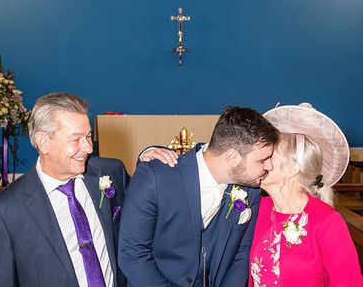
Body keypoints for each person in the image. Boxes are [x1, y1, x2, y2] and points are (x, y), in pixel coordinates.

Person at [0, 92, 176, 287]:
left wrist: (147, 155)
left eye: (89, 136)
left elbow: (146, 197)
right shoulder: (6, 209)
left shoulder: (110, 172)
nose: (88, 147)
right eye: (76, 139)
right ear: (43, 142)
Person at [118, 106, 280, 287]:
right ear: (232, 157)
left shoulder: (251, 190)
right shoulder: (155, 177)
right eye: (263, 160)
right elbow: (133, 254)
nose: (270, 166)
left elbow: (241, 254)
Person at [249, 103, 363, 287]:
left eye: (268, 156)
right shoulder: (258, 209)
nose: (258, 162)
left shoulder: (326, 221)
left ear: (293, 167)